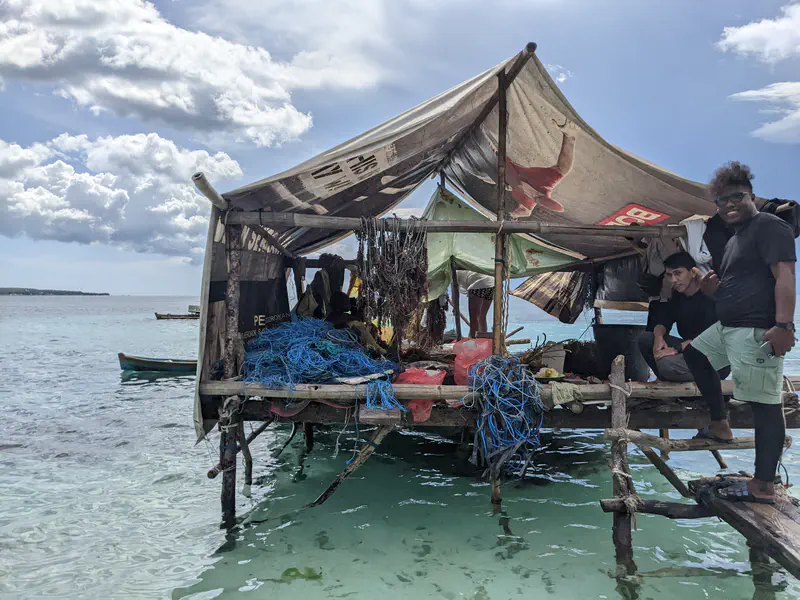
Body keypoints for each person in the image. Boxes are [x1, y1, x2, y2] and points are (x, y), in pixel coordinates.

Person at [682, 161, 796, 504]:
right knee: (695, 353)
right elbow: (737, 285)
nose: (729, 205)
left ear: (753, 196)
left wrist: (784, 326)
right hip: (728, 328)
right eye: (722, 201)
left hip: (756, 329)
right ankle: (720, 423)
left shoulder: (769, 225)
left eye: (736, 197)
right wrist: (710, 290)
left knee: (765, 406)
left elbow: (785, 275)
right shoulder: (736, 239)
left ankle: (762, 486)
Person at [638, 252, 728, 382]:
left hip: (712, 357)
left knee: (666, 364)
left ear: (692, 272)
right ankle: (672, 384)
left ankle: (705, 390)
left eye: (678, 273)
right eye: (669, 275)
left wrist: (675, 349)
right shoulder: (678, 296)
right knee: (645, 339)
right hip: (689, 351)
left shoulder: (708, 296)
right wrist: (658, 338)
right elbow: (664, 320)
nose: (673, 280)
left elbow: (707, 338)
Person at [507, 118, 576, 217]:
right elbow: (562, 169)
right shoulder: (541, 185)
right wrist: (570, 137)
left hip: (503, 170)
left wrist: (513, 215)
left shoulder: (525, 196)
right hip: (533, 188)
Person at [456, 270, 494, 338]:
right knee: (482, 316)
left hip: (478, 283)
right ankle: (483, 341)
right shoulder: (466, 267)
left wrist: (455, 306)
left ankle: (474, 342)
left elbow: (455, 291)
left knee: (474, 317)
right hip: (492, 283)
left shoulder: (454, 271)